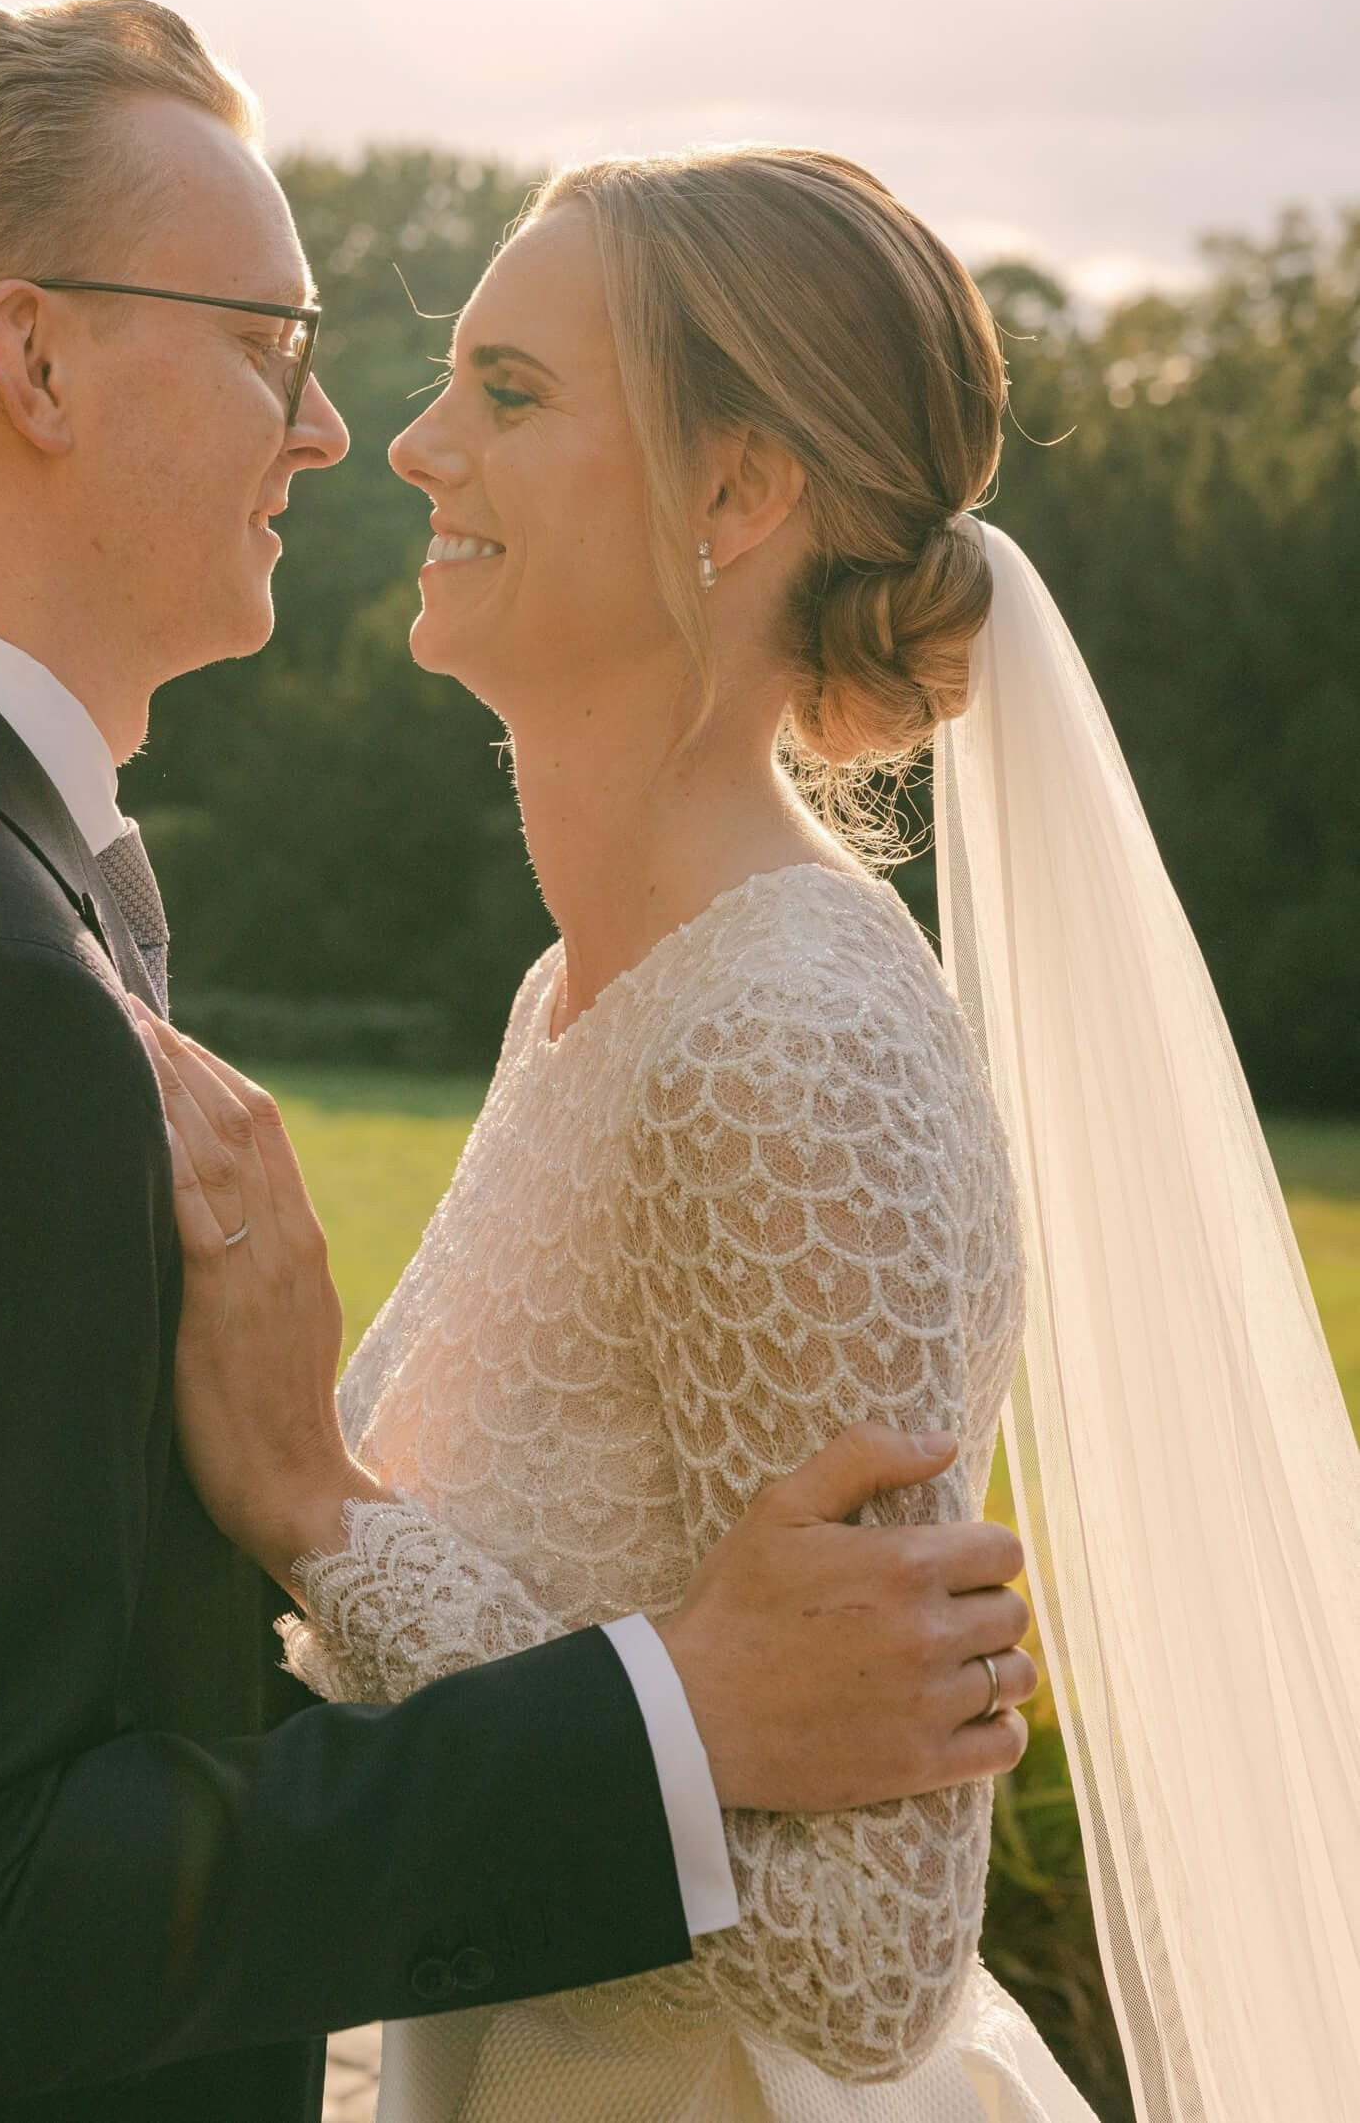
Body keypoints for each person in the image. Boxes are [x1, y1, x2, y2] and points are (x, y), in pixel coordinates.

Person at [0, 3, 1036, 2123]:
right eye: (273, 338)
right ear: (38, 362)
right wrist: (666, 1714)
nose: (352, 431)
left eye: (494, 386)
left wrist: (329, 1523)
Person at [137, 143, 1360, 2121]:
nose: (418, 448)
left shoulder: (796, 1054)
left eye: (510, 393)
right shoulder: (589, 996)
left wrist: (312, 1494)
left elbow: (867, 1970)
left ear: (737, 493)